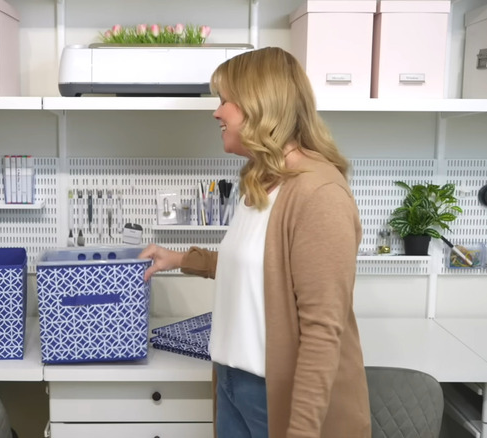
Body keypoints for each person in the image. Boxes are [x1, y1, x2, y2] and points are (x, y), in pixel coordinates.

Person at [138, 47, 371, 438]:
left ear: (261, 106)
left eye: (226, 101)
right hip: (233, 383)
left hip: (275, 395)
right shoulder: (262, 183)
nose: (217, 112)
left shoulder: (319, 194)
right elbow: (260, 267)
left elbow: (321, 332)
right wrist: (178, 258)